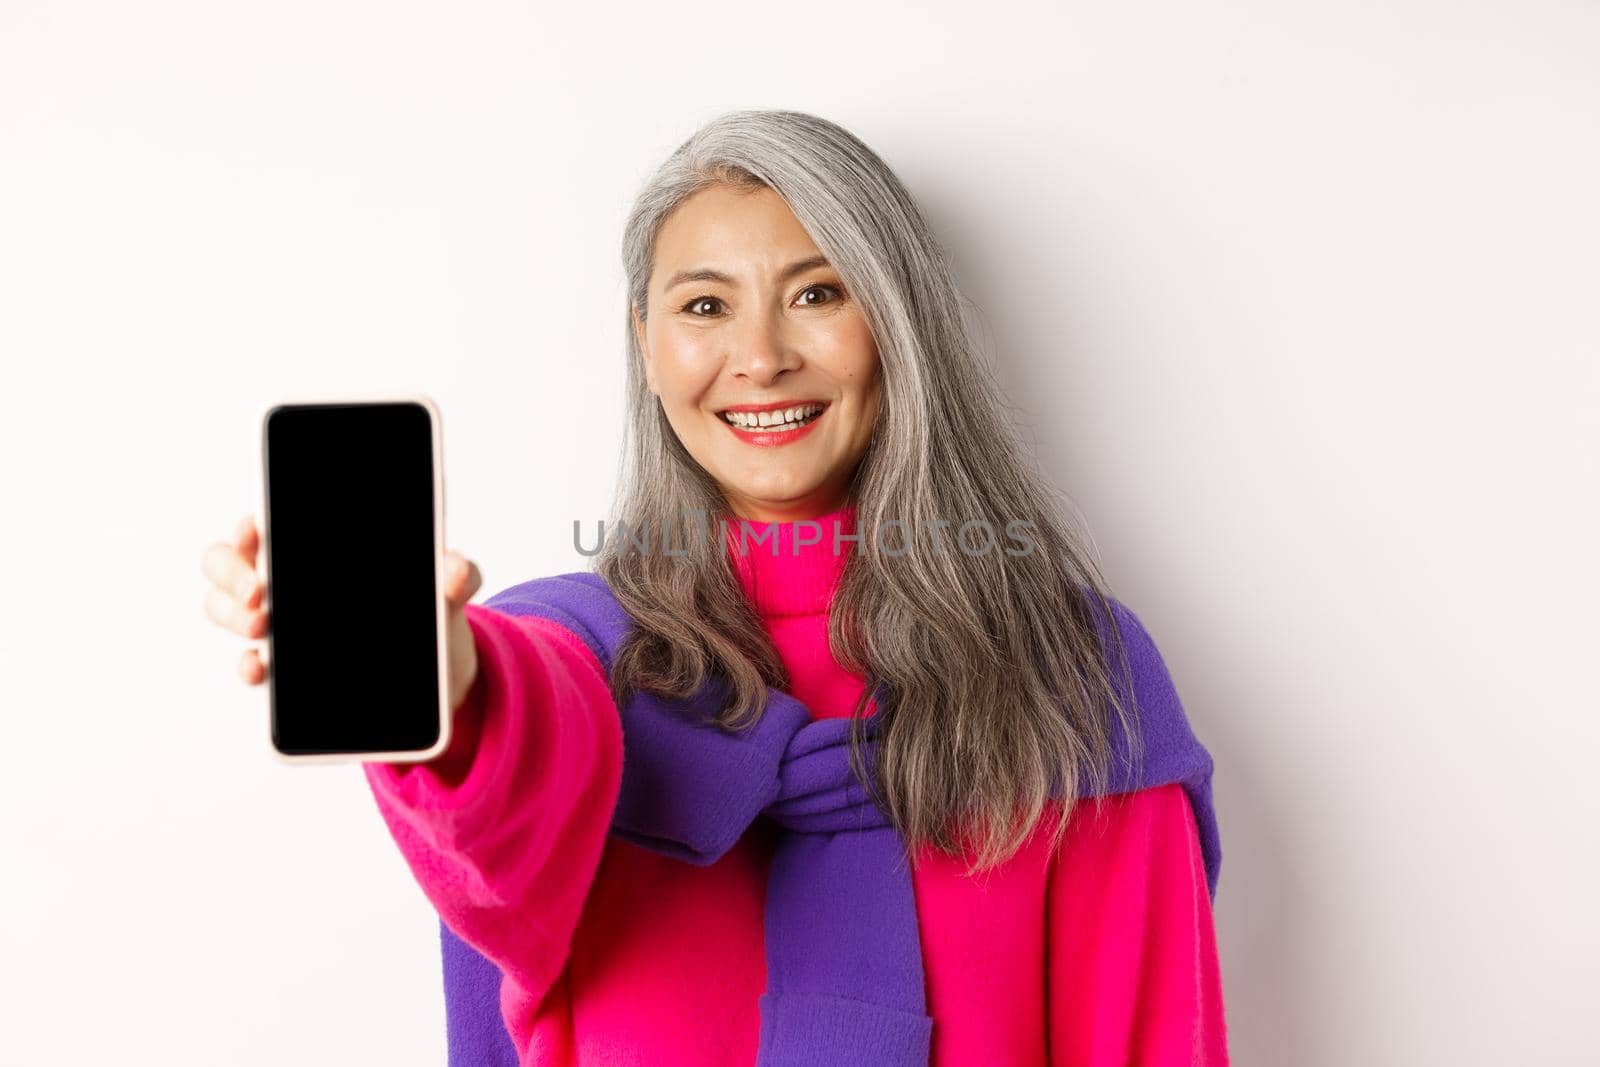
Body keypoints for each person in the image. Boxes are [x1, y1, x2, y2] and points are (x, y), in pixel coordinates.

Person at [202, 108, 1228, 1065]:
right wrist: (449, 666)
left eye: (817, 294)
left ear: (898, 329)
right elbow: (517, 754)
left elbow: (1148, 1034)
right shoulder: (575, 650)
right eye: (704, 305)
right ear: (647, 346)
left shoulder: (1066, 664)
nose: (762, 356)